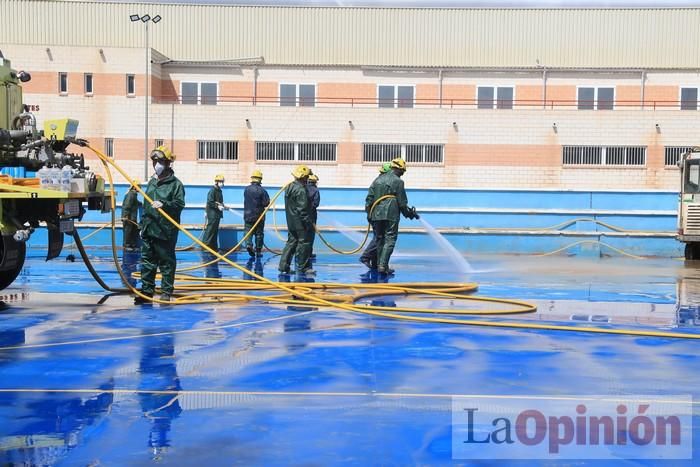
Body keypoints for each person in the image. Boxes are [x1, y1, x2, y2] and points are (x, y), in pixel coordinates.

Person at [135, 145, 186, 304]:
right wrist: (142, 225)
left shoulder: (176, 185)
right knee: (147, 263)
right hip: (149, 229)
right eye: (154, 161)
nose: (156, 165)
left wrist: (164, 204)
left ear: (168, 163)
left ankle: (165, 292)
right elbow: (145, 205)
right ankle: (147, 292)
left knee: (166, 263)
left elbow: (179, 204)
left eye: (160, 162)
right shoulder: (151, 183)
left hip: (165, 231)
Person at [364, 157, 419, 275]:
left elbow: (369, 199)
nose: (403, 174)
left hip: (376, 214)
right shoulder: (398, 181)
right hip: (391, 214)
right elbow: (402, 203)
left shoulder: (377, 180)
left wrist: (369, 214)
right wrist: (409, 214)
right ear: (397, 169)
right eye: (402, 171)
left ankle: (379, 264)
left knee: (379, 239)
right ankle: (383, 266)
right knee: (390, 239)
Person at [278, 165, 314, 275]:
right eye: (307, 177)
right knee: (304, 243)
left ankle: (283, 266)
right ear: (303, 177)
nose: (308, 179)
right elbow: (302, 210)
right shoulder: (301, 190)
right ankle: (303, 267)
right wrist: (308, 223)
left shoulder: (289, 187)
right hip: (300, 223)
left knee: (291, 242)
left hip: (291, 221)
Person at [360, 162, 391, 270]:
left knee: (379, 238)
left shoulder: (379, 182)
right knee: (379, 238)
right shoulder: (379, 183)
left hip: (375, 214)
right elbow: (369, 200)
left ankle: (376, 264)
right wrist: (369, 214)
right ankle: (365, 256)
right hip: (376, 215)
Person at [243, 169, 270, 257]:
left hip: (247, 215)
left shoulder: (246, 189)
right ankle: (258, 251)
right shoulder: (262, 191)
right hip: (259, 216)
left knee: (248, 232)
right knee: (259, 234)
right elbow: (266, 203)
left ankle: (248, 245)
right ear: (260, 179)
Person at [202, 173, 225, 251]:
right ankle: (205, 246)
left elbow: (219, 201)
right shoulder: (212, 190)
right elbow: (210, 202)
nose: (222, 183)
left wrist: (222, 205)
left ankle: (213, 247)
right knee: (210, 230)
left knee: (215, 231)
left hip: (217, 215)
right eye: (221, 182)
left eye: (222, 182)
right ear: (217, 182)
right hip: (212, 214)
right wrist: (217, 206)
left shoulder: (219, 191)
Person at [122, 181, 141, 252]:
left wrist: (140, 203)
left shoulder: (134, 195)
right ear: (134, 187)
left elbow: (134, 202)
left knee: (133, 231)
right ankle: (126, 245)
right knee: (128, 232)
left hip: (133, 218)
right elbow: (127, 205)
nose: (140, 188)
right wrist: (125, 216)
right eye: (139, 186)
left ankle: (133, 245)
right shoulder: (131, 194)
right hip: (128, 218)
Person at [306, 173, 320, 261]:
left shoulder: (302, 188)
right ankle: (309, 254)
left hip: (301, 215)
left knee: (302, 235)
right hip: (312, 215)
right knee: (310, 235)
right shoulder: (315, 190)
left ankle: (299, 254)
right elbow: (316, 204)